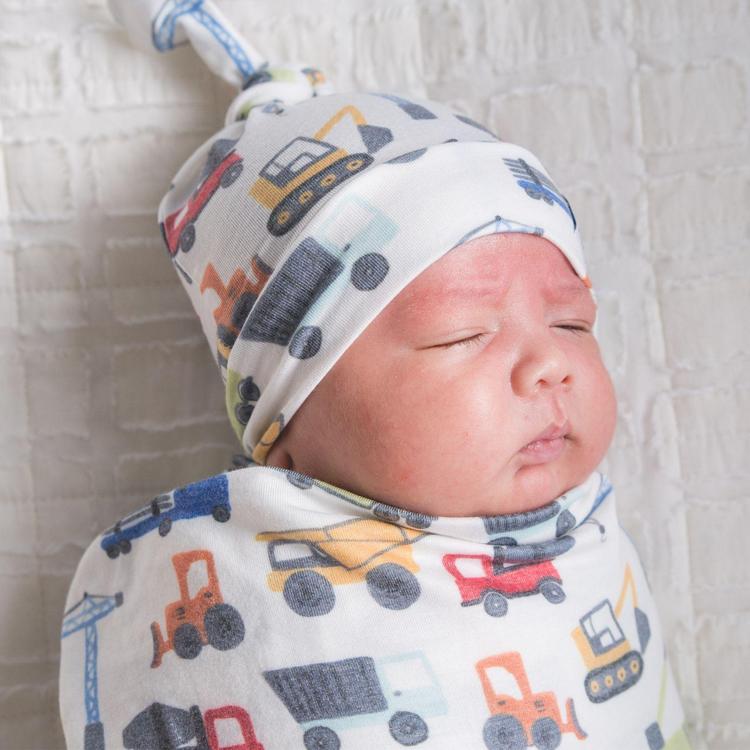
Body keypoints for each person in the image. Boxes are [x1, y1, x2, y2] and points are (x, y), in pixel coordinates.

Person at [59, 2, 691, 748]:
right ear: (285, 426)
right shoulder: (258, 616)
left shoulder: (594, 549)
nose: (552, 364)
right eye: (462, 334)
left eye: (572, 323)